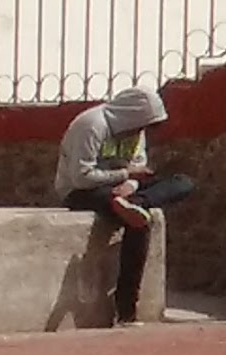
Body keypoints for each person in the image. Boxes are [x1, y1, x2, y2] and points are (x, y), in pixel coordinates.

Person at [54, 87, 169, 327]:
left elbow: (140, 166)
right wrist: (125, 175)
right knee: (139, 223)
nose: (140, 132)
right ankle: (127, 310)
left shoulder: (136, 133)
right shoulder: (92, 125)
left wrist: (131, 184)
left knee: (181, 183)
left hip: (123, 191)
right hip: (83, 192)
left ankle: (136, 204)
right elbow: (81, 177)